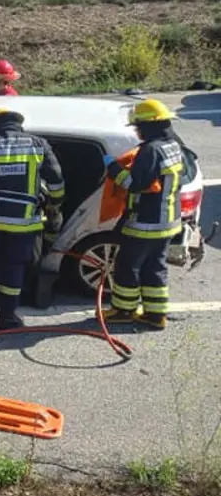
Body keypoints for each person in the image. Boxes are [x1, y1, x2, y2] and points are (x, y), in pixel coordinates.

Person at [0, 108, 65, 329]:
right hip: (24, 224)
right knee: (13, 268)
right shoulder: (39, 145)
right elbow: (56, 180)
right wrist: (54, 204)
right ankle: (7, 316)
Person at [102, 98, 186, 329]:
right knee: (155, 267)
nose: (137, 131)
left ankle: (124, 310)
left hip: (146, 222)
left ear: (149, 125)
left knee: (127, 265)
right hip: (168, 221)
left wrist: (113, 168)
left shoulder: (151, 150)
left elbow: (133, 183)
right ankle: (156, 315)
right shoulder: (174, 146)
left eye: (139, 126)